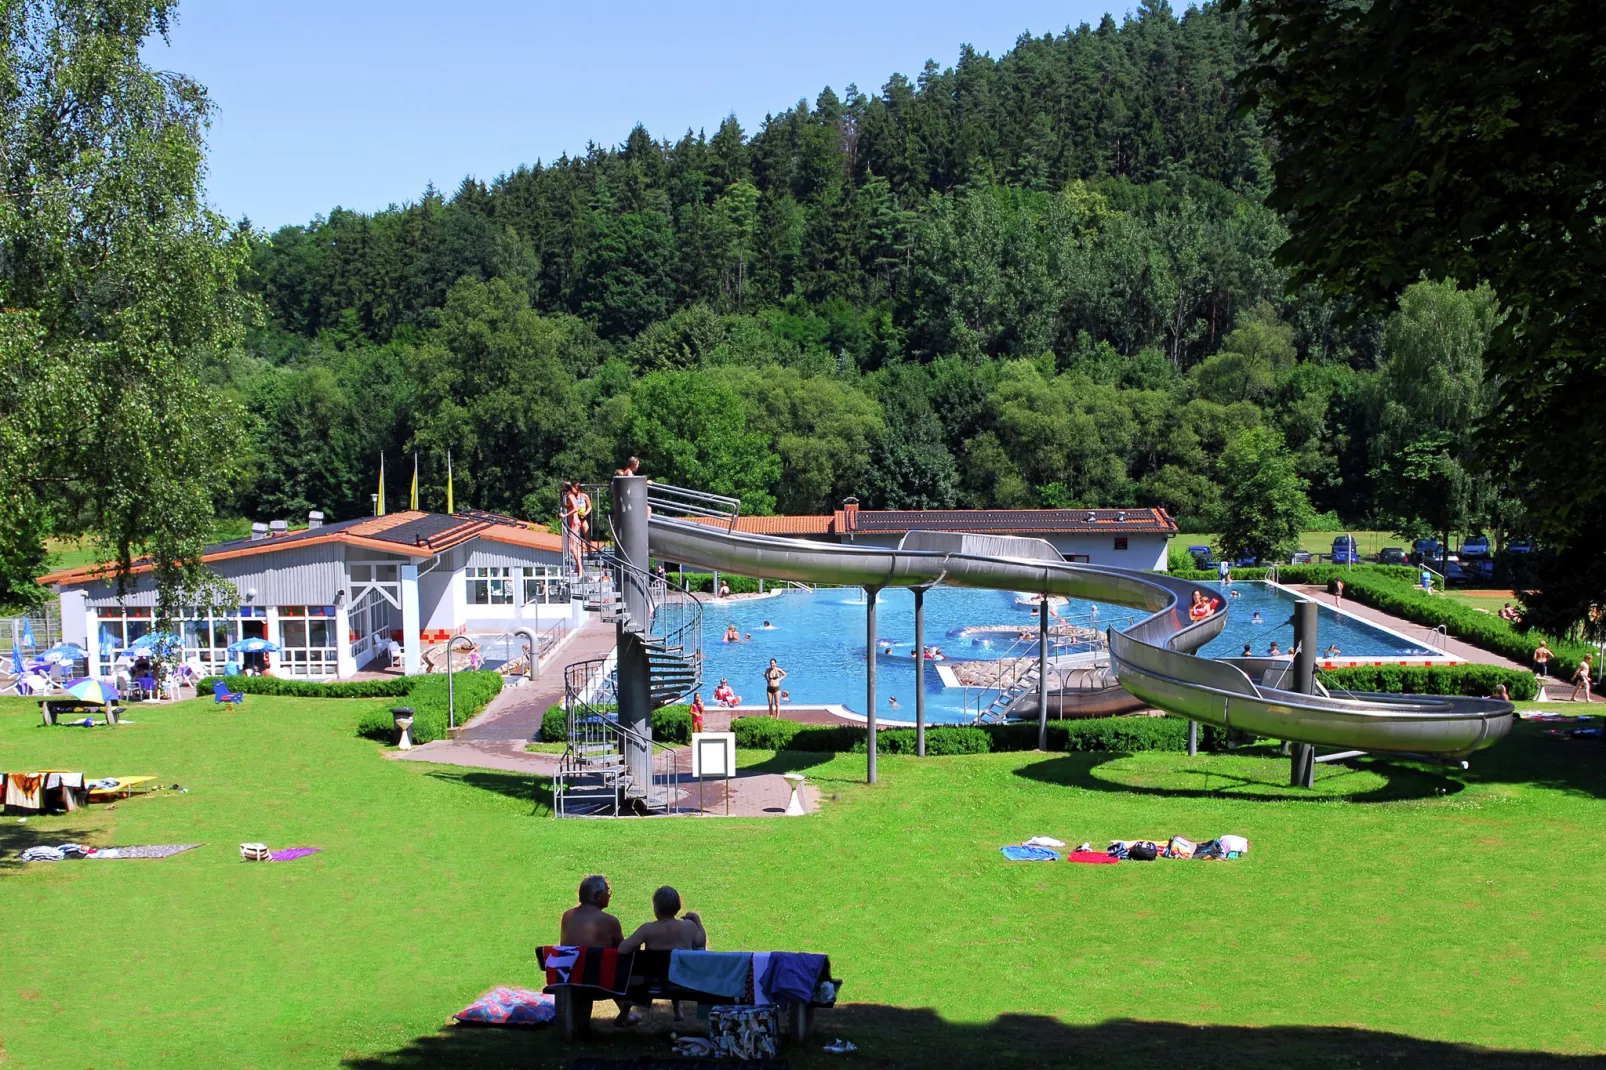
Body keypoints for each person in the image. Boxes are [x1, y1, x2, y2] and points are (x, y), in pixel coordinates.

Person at [617, 886, 706, 1023]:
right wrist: (697, 922)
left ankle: (624, 1014)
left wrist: (636, 945)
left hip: (653, 979)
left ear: (656, 908)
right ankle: (677, 1009)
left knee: (660, 966)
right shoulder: (689, 926)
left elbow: (622, 949)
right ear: (678, 906)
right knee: (674, 962)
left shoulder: (648, 929)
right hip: (681, 978)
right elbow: (700, 942)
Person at [559, 875, 637, 1028]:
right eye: (608, 892)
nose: (609, 895)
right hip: (600, 984)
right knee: (615, 963)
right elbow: (622, 948)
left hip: (570, 977)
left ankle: (622, 1012)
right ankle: (624, 1007)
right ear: (599, 896)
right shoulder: (609, 921)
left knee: (593, 964)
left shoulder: (567, 916)